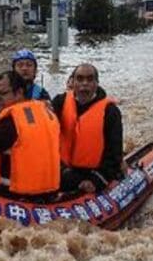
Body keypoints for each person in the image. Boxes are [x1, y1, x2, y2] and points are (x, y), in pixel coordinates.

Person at [51, 63, 124, 193]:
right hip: (65, 171)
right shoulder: (59, 103)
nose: (84, 84)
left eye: (90, 79)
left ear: (96, 83)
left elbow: (114, 153)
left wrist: (96, 180)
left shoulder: (110, 112)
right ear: (72, 82)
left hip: (95, 172)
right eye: (80, 79)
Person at [0, 49, 50, 127]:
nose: (24, 68)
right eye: (20, 65)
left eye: (29, 65)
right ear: (13, 70)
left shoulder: (41, 93)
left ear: (35, 71)